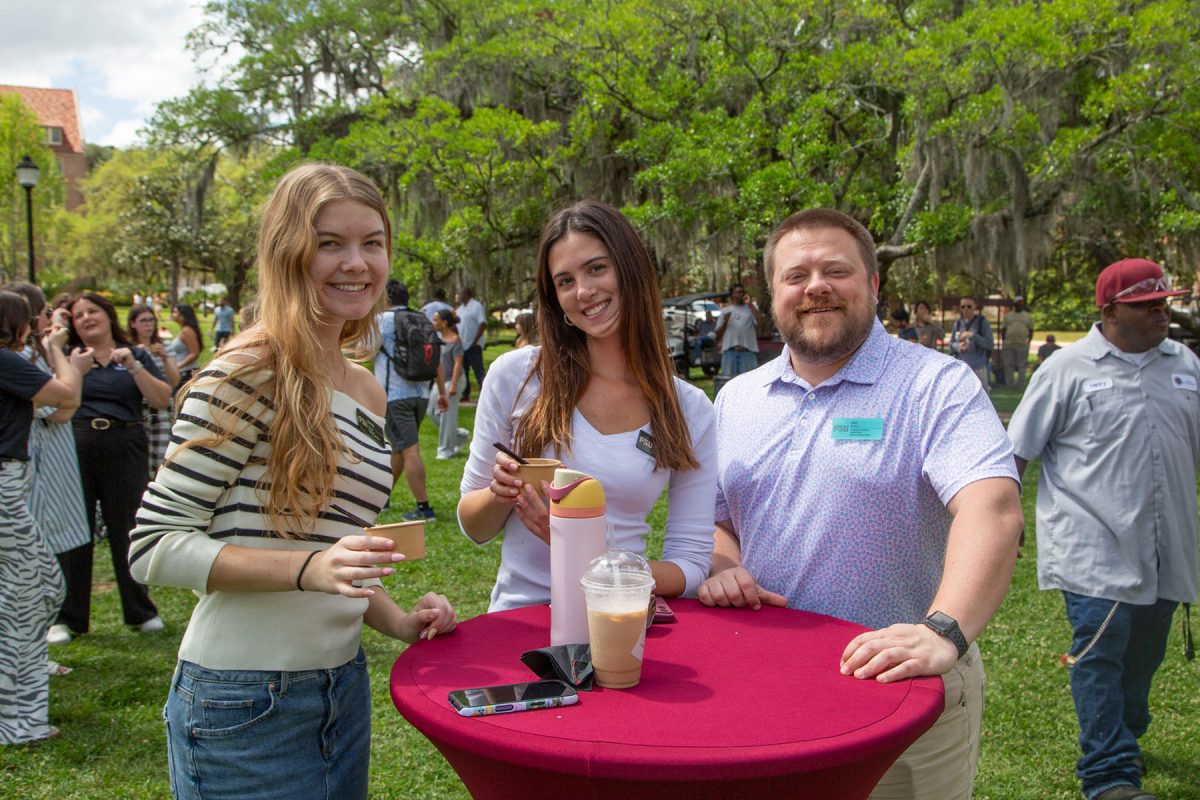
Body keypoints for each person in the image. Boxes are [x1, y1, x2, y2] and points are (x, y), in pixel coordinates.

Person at [129, 163, 456, 800]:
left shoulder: (365, 387)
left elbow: (338, 553)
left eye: (372, 242)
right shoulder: (247, 371)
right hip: (242, 701)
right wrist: (309, 569)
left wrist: (397, 622)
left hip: (341, 690)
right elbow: (154, 546)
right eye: (329, 243)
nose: (356, 262)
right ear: (288, 253)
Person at [698, 208, 1023, 800]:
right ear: (773, 297)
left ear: (873, 286)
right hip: (766, 684)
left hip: (900, 691)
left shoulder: (936, 385)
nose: (815, 286)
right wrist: (723, 567)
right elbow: (719, 520)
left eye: (836, 270)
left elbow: (992, 509)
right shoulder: (738, 399)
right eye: (795, 276)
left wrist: (942, 631)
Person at [458, 200, 716, 611]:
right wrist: (498, 493)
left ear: (631, 268)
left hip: (620, 621)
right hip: (520, 623)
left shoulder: (690, 408)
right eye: (564, 281)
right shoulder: (516, 376)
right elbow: (474, 526)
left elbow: (690, 565)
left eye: (597, 268)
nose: (583, 292)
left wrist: (593, 555)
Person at [1007, 259, 1198, 800]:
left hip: (1167, 548)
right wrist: (1006, 518)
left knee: (1143, 660)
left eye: (1165, 302)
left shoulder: (1183, 363)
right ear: (1111, 310)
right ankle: (1109, 774)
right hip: (1093, 547)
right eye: (1148, 305)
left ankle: (1122, 729)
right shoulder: (1067, 370)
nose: (1163, 312)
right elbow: (1016, 452)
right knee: (1098, 656)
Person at [47, 293, 172, 644]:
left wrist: (134, 365)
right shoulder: (67, 358)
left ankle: (140, 610)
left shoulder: (134, 353)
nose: (86, 318)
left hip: (125, 443)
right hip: (76, 444)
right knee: (76, 530)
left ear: (108, 315)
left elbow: (163, 399)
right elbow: (55, 398)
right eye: (78, 315)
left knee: (128, 527)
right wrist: (69, 362)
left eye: (93, 311)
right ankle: (68, 617)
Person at [0, 290, 86, 744]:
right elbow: (68, 392)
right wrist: (56, 350)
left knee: (30, 593)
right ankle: (16, 721)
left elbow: (59, 409)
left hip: (14, 482)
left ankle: (20, 715)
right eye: (29, 320)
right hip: (5, 488)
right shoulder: (6, 361)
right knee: (34, 594)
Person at [2, 283, 91, 600]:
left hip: (17, 476)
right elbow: (66, 403)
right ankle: (19, 649)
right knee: (40, 581)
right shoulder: (10, 361)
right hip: (9, 481)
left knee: (33, 579)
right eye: (39, 315)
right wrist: (60, 353)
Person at [375, 279, 445, 520]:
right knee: (399, 448)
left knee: (409, 449)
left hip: (395, 396)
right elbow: (435, 358)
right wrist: (442, 392)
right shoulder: (423, 319)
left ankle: (424, 508)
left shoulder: (382, 321)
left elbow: (362, 349)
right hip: (422, 394)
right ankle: (382, 499)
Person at [127, 304, 181, 476]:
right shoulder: (128, 349)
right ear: (133, 324)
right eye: (143, 321)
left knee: (160, 460)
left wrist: (164, 358)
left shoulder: (164, 346)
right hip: (136, 408)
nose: (148, 324)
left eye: (151, 320)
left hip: (160, 410)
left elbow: (174, 381)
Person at [428, 309, 467, 459]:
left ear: (444, 323)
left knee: (446, 414)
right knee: (431, 412)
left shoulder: (455, 341)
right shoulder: (437, 339)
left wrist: (454, 385)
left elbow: (458, 364)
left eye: (435, 319)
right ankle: (459, 436)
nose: (433, 322)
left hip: (454, 380)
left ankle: (446, 450)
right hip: (440, 381)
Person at [714, 282, 764, 377]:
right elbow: (717, 334)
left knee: (750, 383)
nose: (741, 294)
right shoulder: (725, 311)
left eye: (742, 292)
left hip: (748, 351)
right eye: (738, 292)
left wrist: (751, 304)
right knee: (728, 382)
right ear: (732, 294)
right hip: (729, 352)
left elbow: (761, 323)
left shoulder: (750, 309)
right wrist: (725, 322)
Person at [951, 296, 994, 391]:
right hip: (961, 368)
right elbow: (951, 344)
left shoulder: (982, 322)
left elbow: (990, 345)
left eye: (969, 306)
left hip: (978, 368)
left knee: (982, 399)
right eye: (963, 307)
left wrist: (973, 335)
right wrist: (959, 346)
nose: (966, 309)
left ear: (975, 307)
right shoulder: (957, 324)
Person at [456, 286, 487, 401]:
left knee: (478, 370)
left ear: (466, 294)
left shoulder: (476, 306)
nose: (459, 296)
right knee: (464, 370)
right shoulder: (460, 308)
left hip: (473, 345)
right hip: (462, 345)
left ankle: (485, 393)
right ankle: (465, 394)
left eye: (460, 294)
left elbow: (482, 324)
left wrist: (475, 341)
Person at [1001, 295, 1034, 387]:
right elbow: (1003, 329)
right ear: (1014, 304)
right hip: (1009, 344)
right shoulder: (1008, 316)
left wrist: (1028, 341)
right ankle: (1009, 384)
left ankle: (1020, 385)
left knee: (1022, 366)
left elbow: (1031, 330)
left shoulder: (1028, 316)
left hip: (1022, 345)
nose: (1019, 304)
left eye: (1021, 303)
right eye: (1018, 303)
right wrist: (1004, 341)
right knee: (1008, 365)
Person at [168, 302, 203, 383]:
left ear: (183, 315)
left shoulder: (187, 331)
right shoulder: (184, 330)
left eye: (175, 312)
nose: (172, 314)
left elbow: (194, 353)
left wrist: (177, 366)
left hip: (187, 373)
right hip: (182, 372)